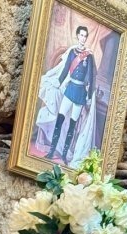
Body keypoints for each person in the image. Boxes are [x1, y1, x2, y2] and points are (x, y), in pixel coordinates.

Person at [44, 26, 97, 163]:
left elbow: (90, 77)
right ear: (77, 36)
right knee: (60, 120)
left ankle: (64, 155)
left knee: (72, 126)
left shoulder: (89, 56)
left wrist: (89, 96)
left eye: (85, 36)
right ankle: (51, 151)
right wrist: (58, 82)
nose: (83, 38)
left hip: (80, 93)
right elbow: (66, 69)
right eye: (81, 35)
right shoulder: (72, 53)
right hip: (70, 89)